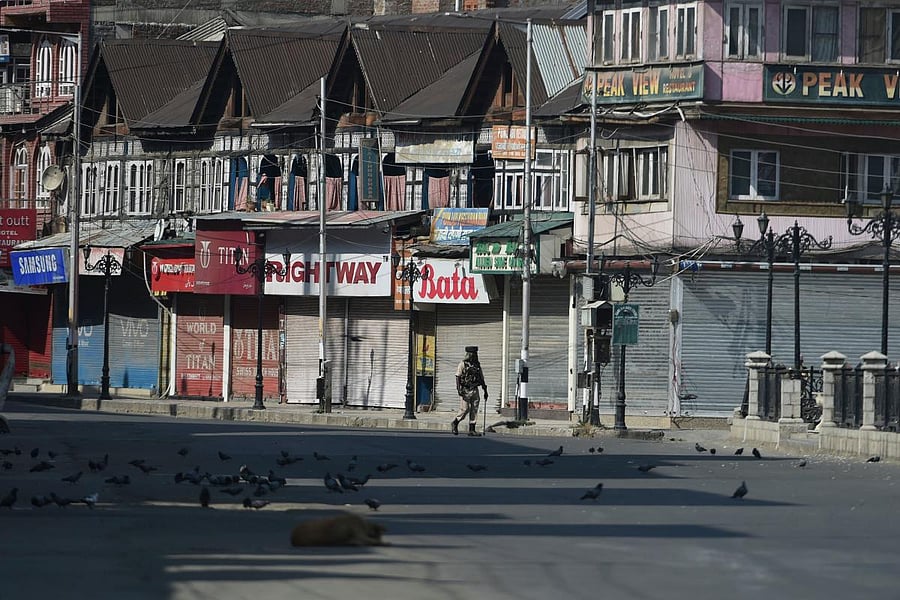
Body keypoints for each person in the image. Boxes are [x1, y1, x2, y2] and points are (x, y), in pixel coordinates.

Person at [452, 346, 488, 436]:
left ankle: (472, 429)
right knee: (465, 409)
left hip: (475, 389)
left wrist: (485, 390)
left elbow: (481, 378)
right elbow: (458, 376)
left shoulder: (477, 365)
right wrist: (459, 389)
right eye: (473, 354)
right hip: (465, 390)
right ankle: (455, 422)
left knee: (474, 409)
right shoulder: (463, 364)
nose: (475, 356)